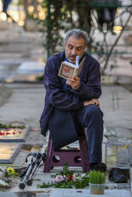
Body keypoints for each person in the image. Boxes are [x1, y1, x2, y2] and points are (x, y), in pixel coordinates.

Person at [40, 29, 106, 172]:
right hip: (59, 112)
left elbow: (95, 92)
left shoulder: (92, 64)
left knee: (94, 111)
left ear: (85, 48)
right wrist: (82, 102)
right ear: (64, 44)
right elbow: (54, 97)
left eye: (78, 48)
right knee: (89, 106)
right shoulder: (53, 63)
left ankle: (95, 163)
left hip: (81, 113)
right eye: (70, 47)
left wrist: (79, 87)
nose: (73, 52)